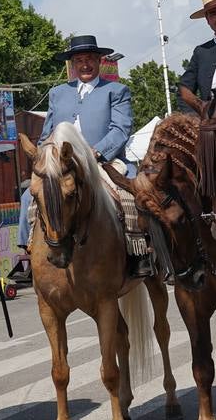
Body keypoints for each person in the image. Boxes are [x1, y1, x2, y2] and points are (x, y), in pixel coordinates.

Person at [17, 36, 138, 262]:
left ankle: (139, 254)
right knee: (28, 197)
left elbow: (121, 129)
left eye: (90, 59)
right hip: (63, 165)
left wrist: (96, 152)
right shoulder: (57, 93)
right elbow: (47, 133)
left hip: (104, 161)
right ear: (72, 65)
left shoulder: (116, 90)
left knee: (132, 196)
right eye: (79, 60)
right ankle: (29, 254)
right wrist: (45, 156)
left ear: (99, 61)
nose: (85, 65)